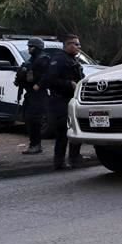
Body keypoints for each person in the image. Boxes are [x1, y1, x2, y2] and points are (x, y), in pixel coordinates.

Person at [41, 34, 85, 170]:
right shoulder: (59, 60)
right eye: (76, 44)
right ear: (68, 45)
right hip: (60, 100)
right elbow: (50, 80)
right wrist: (68, 84)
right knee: (63, 132)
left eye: (79, 44)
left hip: (73, 100)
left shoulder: (72, 59)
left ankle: (74, 158)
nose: (79, 47)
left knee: (76, 131)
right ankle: (59, 162)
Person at [17, 37, 51, 156]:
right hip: (30, 93)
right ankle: (34, 144)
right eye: (29, 46)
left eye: (31, 47)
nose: (29, 49)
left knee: (34, 119)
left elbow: (48, 76)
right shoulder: (32, 60)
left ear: (37, 47)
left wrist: (39, 85)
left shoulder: (43, 60)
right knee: (28, 118)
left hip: (38, 95)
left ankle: (35, 145)